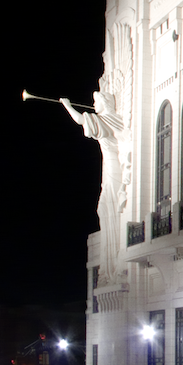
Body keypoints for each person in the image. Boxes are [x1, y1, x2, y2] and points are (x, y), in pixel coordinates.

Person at [62, 92, 125, 283]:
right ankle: (110, 264)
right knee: (105, 208)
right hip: (110, 169)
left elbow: (81, 119)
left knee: (106, 207)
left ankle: (113, 263)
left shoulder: (106, 120)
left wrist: (67, 105)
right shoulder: (112, 120)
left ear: (104, 103)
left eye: (96, 101)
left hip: (113, 169)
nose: (94, 104)